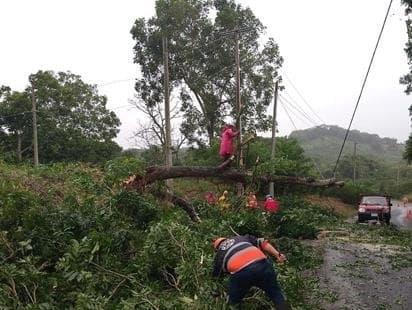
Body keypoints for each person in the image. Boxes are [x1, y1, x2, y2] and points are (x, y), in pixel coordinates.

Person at [212, 235, 290, 309]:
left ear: (217, 248)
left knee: (234, 303)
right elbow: (264, 243)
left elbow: (216, 279)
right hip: (262, 264)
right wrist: (278, 255)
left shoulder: (219, 255)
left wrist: (215, 292)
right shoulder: (241, 238)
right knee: (276, 294)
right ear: (227, 239)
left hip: (241, 273)